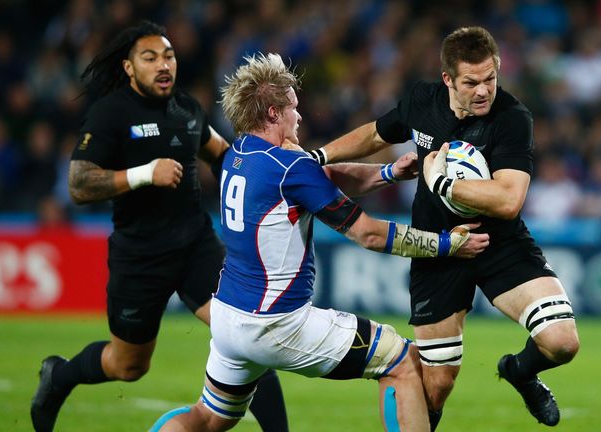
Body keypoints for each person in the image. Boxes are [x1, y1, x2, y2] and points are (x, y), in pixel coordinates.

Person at [149, 52, 490, 432]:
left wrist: (389, 172)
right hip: (277, 322)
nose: (300, 116)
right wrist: (446, 244)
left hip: (229, 318)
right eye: (293, 108)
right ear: (273, 114)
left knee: (208, 417)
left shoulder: (239, 153)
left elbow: (323, 175)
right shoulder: (290, 168)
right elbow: (369, 234)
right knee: (402, 362)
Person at [308, 26, 580, 428]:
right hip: (437, 249)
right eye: (471, 82)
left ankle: (520, 371)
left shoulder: (512, 118)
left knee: (561, 342)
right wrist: (318, 155)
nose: (484, 90)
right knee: (436, 385)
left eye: (491, 78)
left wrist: (443, 183)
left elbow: (509, 200)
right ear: (448, 79)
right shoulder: (423, 101)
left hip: (497, 244)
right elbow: (375, 134)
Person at [30, 21, 289, 432]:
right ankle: (59, 375)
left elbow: (220, 154)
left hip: (195, 245)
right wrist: (143, 173)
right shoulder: (110, 113)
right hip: (140, 254)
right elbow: (78, 184)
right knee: (128, 365)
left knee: (247, 334)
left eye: (168, 55)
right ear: (129, 68)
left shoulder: (186, 108)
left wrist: (271, 174)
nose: (163, 64)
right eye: (149, 58)